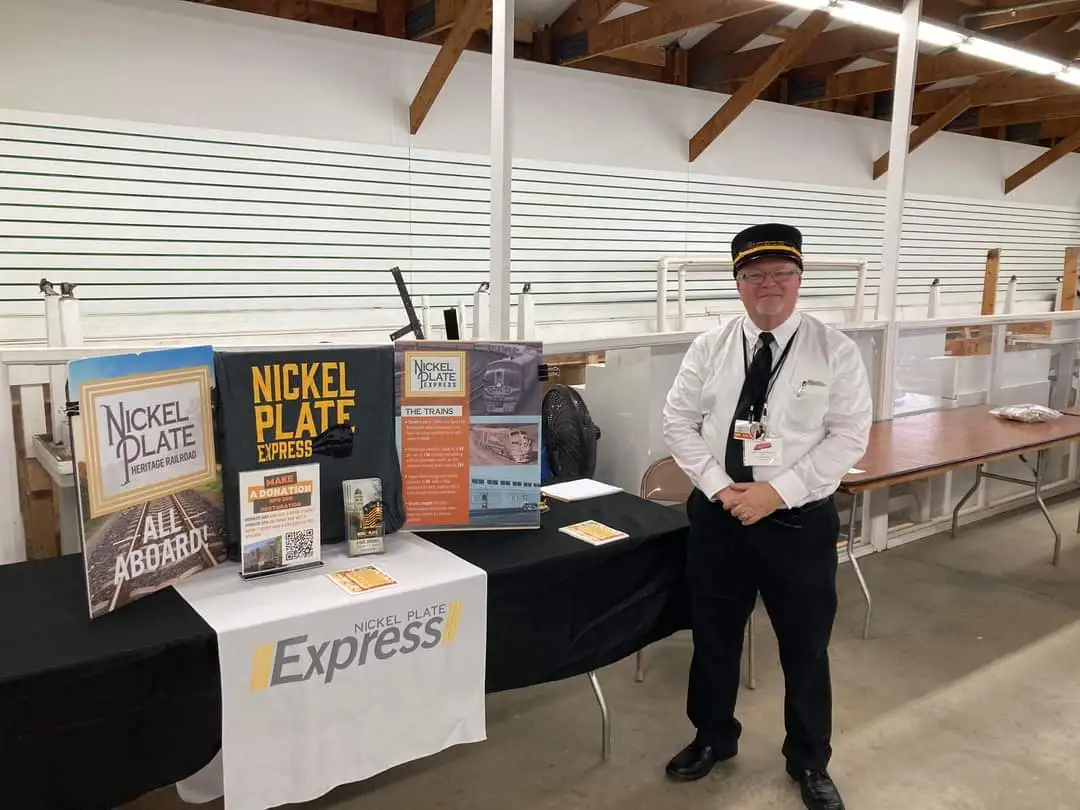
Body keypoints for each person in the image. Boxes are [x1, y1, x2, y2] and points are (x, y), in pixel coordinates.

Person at [661, 223, 872, 810]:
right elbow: (678, 422)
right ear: (738, 283)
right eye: (754, 275)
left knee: (805, 646)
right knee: (714, 638)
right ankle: (712, 737)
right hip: (719, 518)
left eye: (781, 273)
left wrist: (776, 492)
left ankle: (809, 761)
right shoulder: (710, 347)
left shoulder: (835, 350)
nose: (768, 285)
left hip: (797, 524)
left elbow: (849, 434)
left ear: (800, 280)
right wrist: (722, 488)